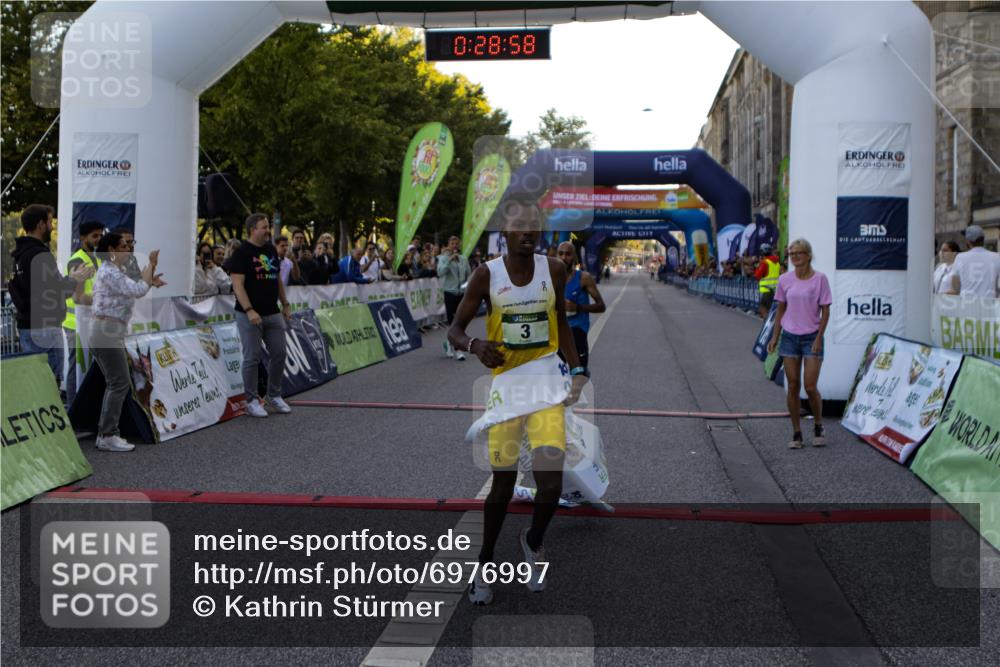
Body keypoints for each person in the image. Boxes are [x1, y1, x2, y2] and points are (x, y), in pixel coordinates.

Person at [447, 196, 587, 605]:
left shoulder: (555, 269)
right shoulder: (485, 275)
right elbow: (455, 328)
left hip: (545, 385)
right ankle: (485, 562)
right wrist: (474, 345)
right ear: (504, 233)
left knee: (549, 485)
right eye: (519, 227)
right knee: (503, 486)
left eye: (534, 227)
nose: (528, 233)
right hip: (508, 389)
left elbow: (560, 318)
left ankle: (533, 541)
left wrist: (577, 370)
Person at [90, 232, 166, 451]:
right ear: (112, 251)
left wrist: (150, 279)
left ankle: (107, 432)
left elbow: (137, 287)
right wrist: (151, 265)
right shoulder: (110, 272)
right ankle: (107, 434)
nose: (128, 249)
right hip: (107, 332)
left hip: (107, 330)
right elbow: (137, 290)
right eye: (124, 246)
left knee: (116, 382)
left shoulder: (113, 271)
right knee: (119, 383)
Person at [10, 204, 94, 383]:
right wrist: (74, 279)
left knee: (35, 383)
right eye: (49, 221)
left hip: (27, 328)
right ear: (41, 224)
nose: (52, 226)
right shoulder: (40, 255)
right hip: (45, 330)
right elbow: (55, 293)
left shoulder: (20, 255)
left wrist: (68, 279)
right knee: (49, 383)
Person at [767, 238, 831, 449]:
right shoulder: (785, 279)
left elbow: (825, 311)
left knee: (810, 386)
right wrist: (775, 337)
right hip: (789, 337)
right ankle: (796, 433)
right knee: (792, 385)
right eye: (791, 253)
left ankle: (819, 425)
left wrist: (819, 338)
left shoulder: (820, 279)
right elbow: (780, 310)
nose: (794, 257)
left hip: (811, 336)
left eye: (799, 253)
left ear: (809, 255)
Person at [229, 213, 293, 418]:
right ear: (252, 229)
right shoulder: (241, 253)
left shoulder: (270, 250)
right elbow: (237, 285)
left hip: (272, 312)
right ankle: (250, 400)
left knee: (280, 352)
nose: (268, 230)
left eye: (267, 227)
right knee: (252, 357)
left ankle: (274, 395)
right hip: (249, 314)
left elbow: (277, 280)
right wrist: (249, 310)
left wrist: (285, 303)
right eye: (264, 227)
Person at [63, 220, 105, 408]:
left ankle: (86, 410)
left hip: (90, 323)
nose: (99, 239)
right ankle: (73, 410)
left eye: (100, 235)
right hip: (75, 324)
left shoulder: (97, 259)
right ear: (82, 238)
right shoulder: (77, 260)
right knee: (76, 368)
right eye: (94, 236)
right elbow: (78, 297)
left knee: (88, 368)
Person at [556, 241, 606, 376]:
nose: (564, 257)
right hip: (556, 331)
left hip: (577, 329)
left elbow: (601, 306)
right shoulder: (550, 278)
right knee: (554, 377)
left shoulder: (584, 278)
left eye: (568, 254)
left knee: (579, 375)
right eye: (560, 254)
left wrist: (577, 307)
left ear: (574, 257)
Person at [438, 235, 471, 360]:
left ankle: (449, 343)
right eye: (452, 244)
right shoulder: (443, 259)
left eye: (456, 244)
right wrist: (449, 260)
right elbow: (440, 272)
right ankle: (458, 350)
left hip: (461, 293)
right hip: (449, 292)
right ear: (448, 245)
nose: (454, 246)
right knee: (453, 322)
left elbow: (469, 274)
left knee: (460, 321)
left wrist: (467, 287)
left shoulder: (463, 259)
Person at [950, 225, 1000, 298]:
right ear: (983, 240)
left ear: (968, 241)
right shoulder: (996, 257)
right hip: (988, 305)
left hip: (966, 305)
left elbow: (955, 287)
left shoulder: (960, 257)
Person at [754, 243, 781, 318]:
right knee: (770, 308)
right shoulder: (777, 263)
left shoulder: (764, 262)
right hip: (775, 289)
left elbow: (757, 276)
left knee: (763, 308)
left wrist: (757, 267)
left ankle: (767, 324)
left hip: (766, 289)